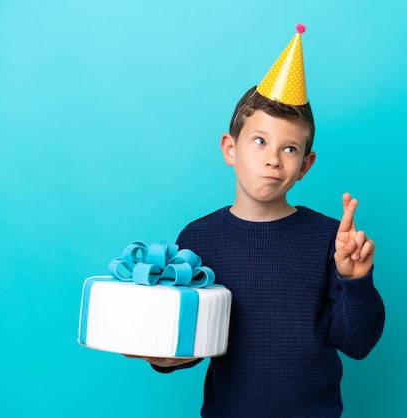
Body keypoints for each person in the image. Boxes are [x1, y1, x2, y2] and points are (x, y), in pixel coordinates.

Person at [128, 26, 385, 417]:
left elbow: (357, 343)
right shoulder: (198, 239)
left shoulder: (329, 240)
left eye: (289, 148)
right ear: (230, 148)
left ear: (304, 166)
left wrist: (356, 280)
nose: (273, 159)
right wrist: (164, 357)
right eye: (260, 141)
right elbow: (194, 344)